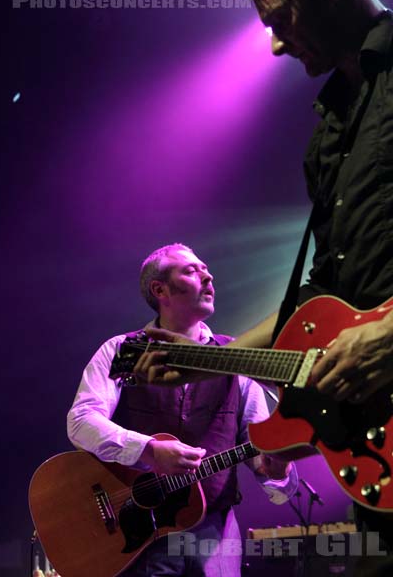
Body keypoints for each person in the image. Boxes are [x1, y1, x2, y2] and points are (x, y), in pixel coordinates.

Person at [133, 0, 393, 568]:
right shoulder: (329, 132)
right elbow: (319, 300)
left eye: (282, 17)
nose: (275, 45)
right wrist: (196, 358)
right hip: (378, 460)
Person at [67, 243, 298, 576]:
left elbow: (263, 453)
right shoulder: (122, 350)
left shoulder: (234, 357)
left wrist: (278, 472)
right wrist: (148, 449)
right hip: (139, 529)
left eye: (206, 268)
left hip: (215, 532)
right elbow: (81, 421)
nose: (208, 275)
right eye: (191, 270)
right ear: (159, 289)